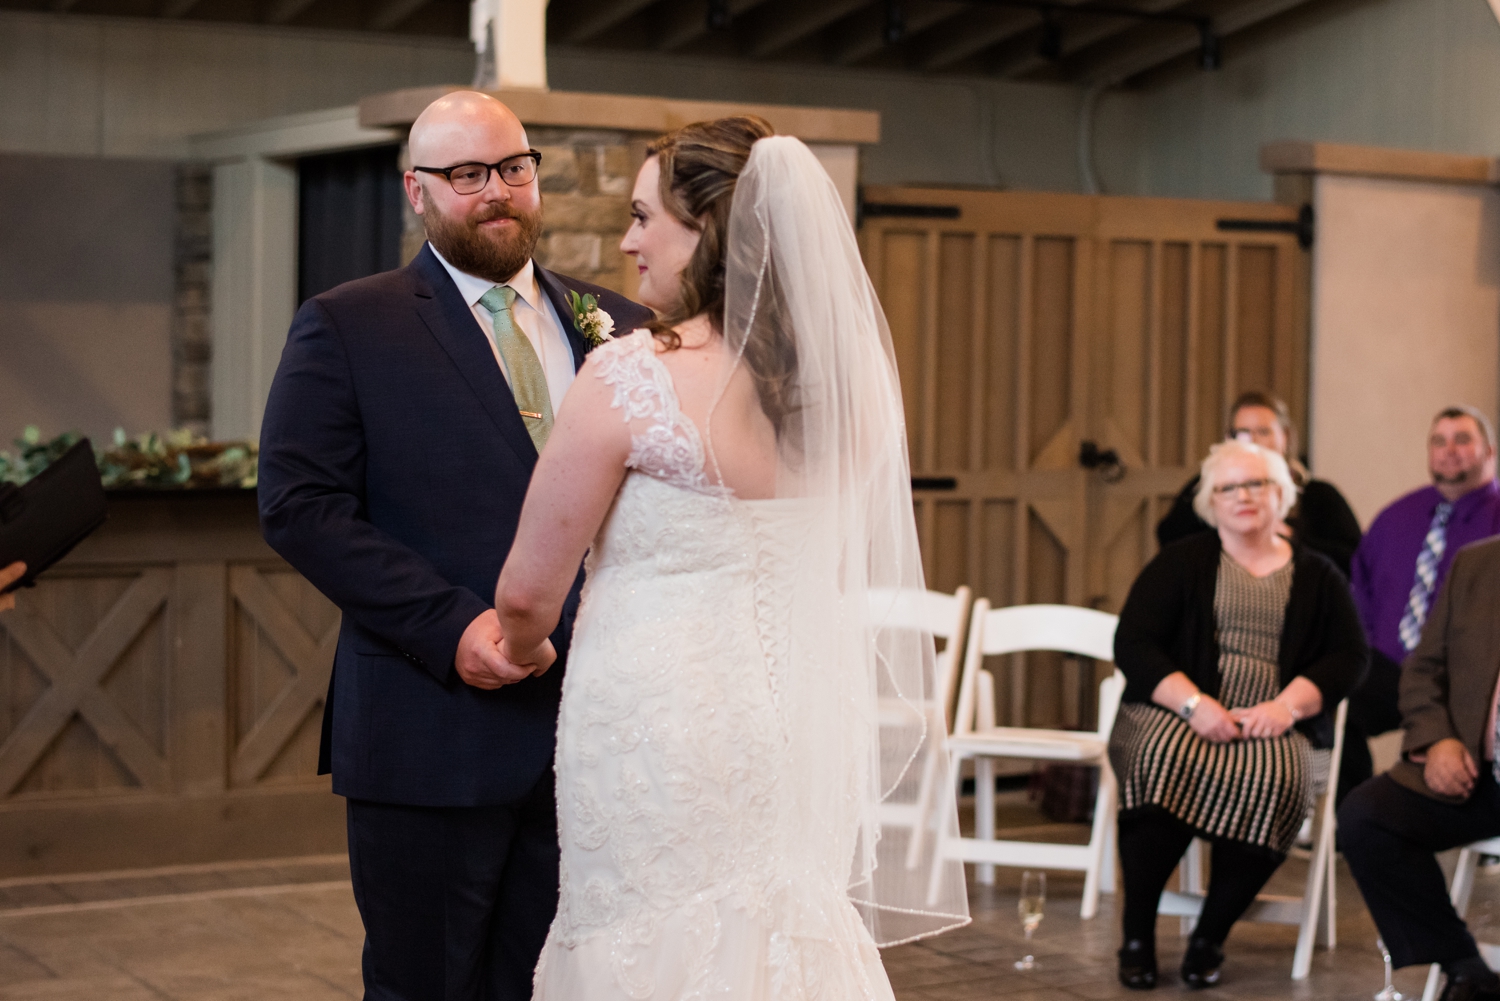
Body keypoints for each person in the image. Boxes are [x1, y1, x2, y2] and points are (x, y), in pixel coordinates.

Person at [490, 118, 969, 998]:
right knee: (779, 925)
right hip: (794, 718)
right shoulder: (846, 392)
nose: (628, 240)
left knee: (646, 929)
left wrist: (520, 646)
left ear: (707, 227)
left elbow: (527, 591)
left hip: (655, 724)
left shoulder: (632, 378)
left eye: (644, 217)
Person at [257, 91, 653, 1000]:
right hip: (430, 726)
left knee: (555, 983)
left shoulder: (618, 329)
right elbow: (299, 505)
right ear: (417, 192)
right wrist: (452, 627)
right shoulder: (349, 324)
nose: (497, 192)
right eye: (467, 174)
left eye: (514, 168)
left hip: (594, 734)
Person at [1109, 439, 1367, 990]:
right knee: (1156, 757)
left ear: (1284, 495)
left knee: (1280, 777)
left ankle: (1210, 936)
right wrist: (1195, 705)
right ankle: (1136, 933)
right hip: (1181, 712)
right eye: (1230, 486)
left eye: (1259, 484)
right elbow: (1133, 643)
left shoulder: (1319, 575)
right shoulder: (1180, 562)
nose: (1245, 496)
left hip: (1276, 721)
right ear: (1210, 501)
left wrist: (1286, 706)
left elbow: (1351, 657)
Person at [1340, 536, 1500, 1001]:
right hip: (1476, 770)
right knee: (1367, 817)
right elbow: (1423, 667)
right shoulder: (1477, 563)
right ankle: (1467, 968)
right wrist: (1437, 740)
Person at [1343, 406, 1500, 803]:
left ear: (1490, 451)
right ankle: (1348, 818)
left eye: (1463, 440)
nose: (1449, 451)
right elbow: (1358, 591)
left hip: (1465, 677)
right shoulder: (1396, 516)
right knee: (1337, 702)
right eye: (1439, 441)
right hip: (1392, 664)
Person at [1156, 391, 1361, 575]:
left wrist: (1292, 537)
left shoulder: (1319, 495)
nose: (1252, 441)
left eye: (1263, 432)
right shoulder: (1210, 487)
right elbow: (1170, 536)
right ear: (1230, 438)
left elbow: (1355, 559)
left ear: (1285, 436)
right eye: (1243, 433)